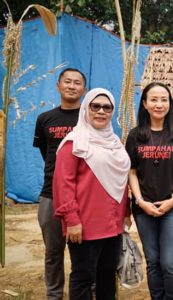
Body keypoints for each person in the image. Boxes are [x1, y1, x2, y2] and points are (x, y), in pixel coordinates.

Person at [53, 88, 131, 299]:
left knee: (107, 274)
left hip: (112, 223)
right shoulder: (73, 143)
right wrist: (71, 219)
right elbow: (63, 184)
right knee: (83, 276)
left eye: (107, 107)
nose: (101, 111)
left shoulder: (115, 143)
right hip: (85, 223)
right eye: (95, 106)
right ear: (86, 108)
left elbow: (122, 182)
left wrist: (126, 213)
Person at [126, 82, 173, 300]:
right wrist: (139, 201)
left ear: (170, 102)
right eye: (154, 100)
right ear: (145, 104)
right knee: (153, 260)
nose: (159, 104)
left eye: (164, 99)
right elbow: (131, 171)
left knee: (169, 261)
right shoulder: (135, 135)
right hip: (143, 206)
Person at [33, 68, 86, 299]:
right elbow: (47, 153)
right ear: (58, 85)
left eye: (77, 83)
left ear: (84, 89)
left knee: (83, 252)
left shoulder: (91, 117)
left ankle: (85, 292)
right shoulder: (45, 119)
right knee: (53, 251)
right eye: (67, 81)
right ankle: (54, 294)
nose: (72, 86)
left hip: (83, 195)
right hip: (50, 194)